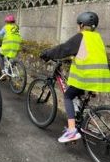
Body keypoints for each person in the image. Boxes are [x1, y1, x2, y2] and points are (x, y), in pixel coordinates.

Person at [40, 11, 110, 143]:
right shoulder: (97, 38)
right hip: (100, 78)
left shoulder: (81, 37)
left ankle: (72, 131)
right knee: (78, 96)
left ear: (82, 24)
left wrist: (47, 54)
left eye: (78, 25)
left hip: (86, 77)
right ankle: (83, 122)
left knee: (68, 95)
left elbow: (64, 49)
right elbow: (86, 54)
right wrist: (72, 58)